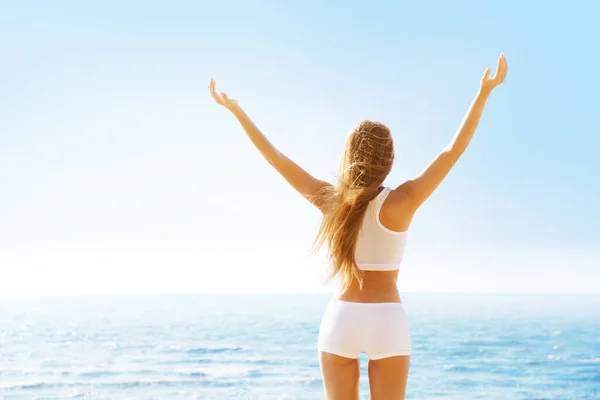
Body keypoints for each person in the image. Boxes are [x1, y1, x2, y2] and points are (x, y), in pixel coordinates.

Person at [209, 53, 508, 400]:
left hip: (342, 320)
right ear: (389, 160)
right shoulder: (403, 201)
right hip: (388, 321)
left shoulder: (332, 201)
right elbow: (452, 150)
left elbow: (277, 159)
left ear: (348, 156)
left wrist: (237, 112)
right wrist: (483, 92)